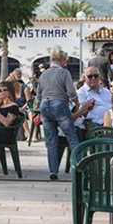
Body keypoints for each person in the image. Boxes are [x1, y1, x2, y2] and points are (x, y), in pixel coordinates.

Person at [37, 47, 80, 180]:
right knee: (71, 137)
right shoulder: (64, 72)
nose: (66, 62)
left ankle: (53, 171)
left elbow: (38, 94)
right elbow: (71, 92)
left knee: (51, 141)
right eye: (65, 59)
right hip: (59, 104)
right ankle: (80, 166)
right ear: (61, 59)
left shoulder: (44, 73)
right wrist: (76, 103)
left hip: (45, 105)